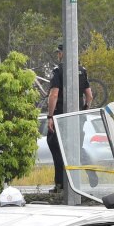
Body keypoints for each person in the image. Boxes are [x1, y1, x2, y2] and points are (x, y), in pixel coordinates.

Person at [45, 43, 93, 191]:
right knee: (76, 146)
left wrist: (50, 116)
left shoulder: (59, 70)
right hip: (78, 115)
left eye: (59, 52)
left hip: (60, 116)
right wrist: (84, 110)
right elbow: (89, 96)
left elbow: (54, 95)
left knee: (55, 145)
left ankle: (60, 184)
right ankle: (91, 170)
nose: (58, 55)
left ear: (64, 53)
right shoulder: (81, 70)